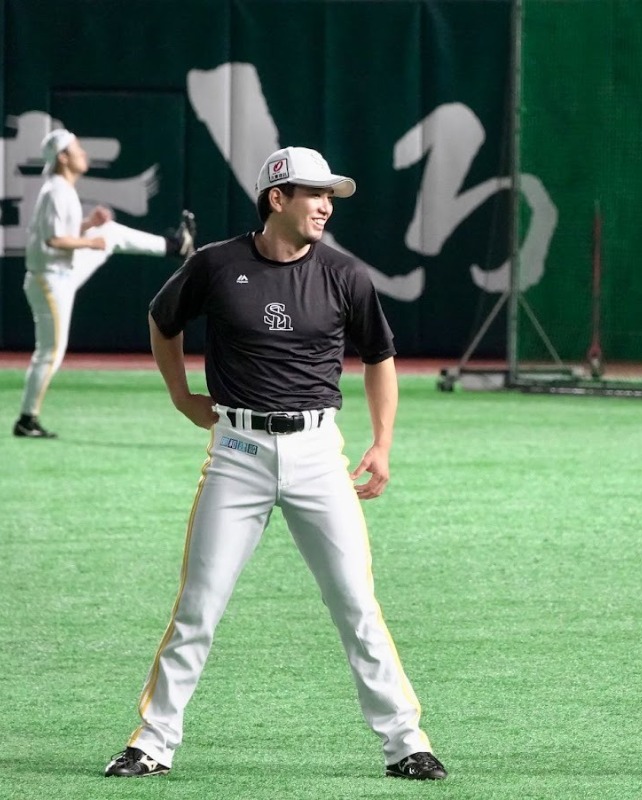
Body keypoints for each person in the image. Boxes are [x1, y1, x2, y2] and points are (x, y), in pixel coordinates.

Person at [103, 146, 447, 781]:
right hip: (236, 452)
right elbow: (162, 319)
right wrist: (181, 397)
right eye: (314, 194)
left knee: (355, 604)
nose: (325, 206)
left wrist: (382, 442)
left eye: (330, 196)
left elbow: (380, 358)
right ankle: (152, 742)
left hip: (319, 453)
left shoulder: (345, 275)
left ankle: (407, 742)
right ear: (276, 198)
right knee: (199, 605)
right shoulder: (215, 264)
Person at [14, 127, 196, 439]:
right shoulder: (57, 190)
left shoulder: (60, 188)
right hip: (51, 279)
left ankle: (173, 245)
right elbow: (53, 239)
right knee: (51, 352)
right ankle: (27, 419)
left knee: (109, 233)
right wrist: (90, 243)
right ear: (62, 157)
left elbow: (60, 232)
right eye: (76, 149)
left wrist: (90, 226)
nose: (83, 153)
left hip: (60, 272)